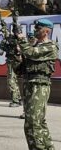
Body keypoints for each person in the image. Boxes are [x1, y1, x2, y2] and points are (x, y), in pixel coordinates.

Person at [17, 19, 58, 150]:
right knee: (31, 122)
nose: (35, 30)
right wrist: (16, 53)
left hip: (40, 85)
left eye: (38, 28)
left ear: (46, 31)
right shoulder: (33, 46)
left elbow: (32, 54)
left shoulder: (51, 46)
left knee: (35, 121)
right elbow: (20, 69)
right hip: (29, 84)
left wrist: (23, 42)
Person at [0, 27, 22, 108]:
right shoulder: (10, 39)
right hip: (12, 61)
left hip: (15, 61)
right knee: (13, 80)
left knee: (11, 80)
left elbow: (17, 48)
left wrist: (7, 39)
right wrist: (5, 39)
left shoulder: (19, 40)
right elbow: (3, 47)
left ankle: (15, 100)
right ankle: (18, 99)